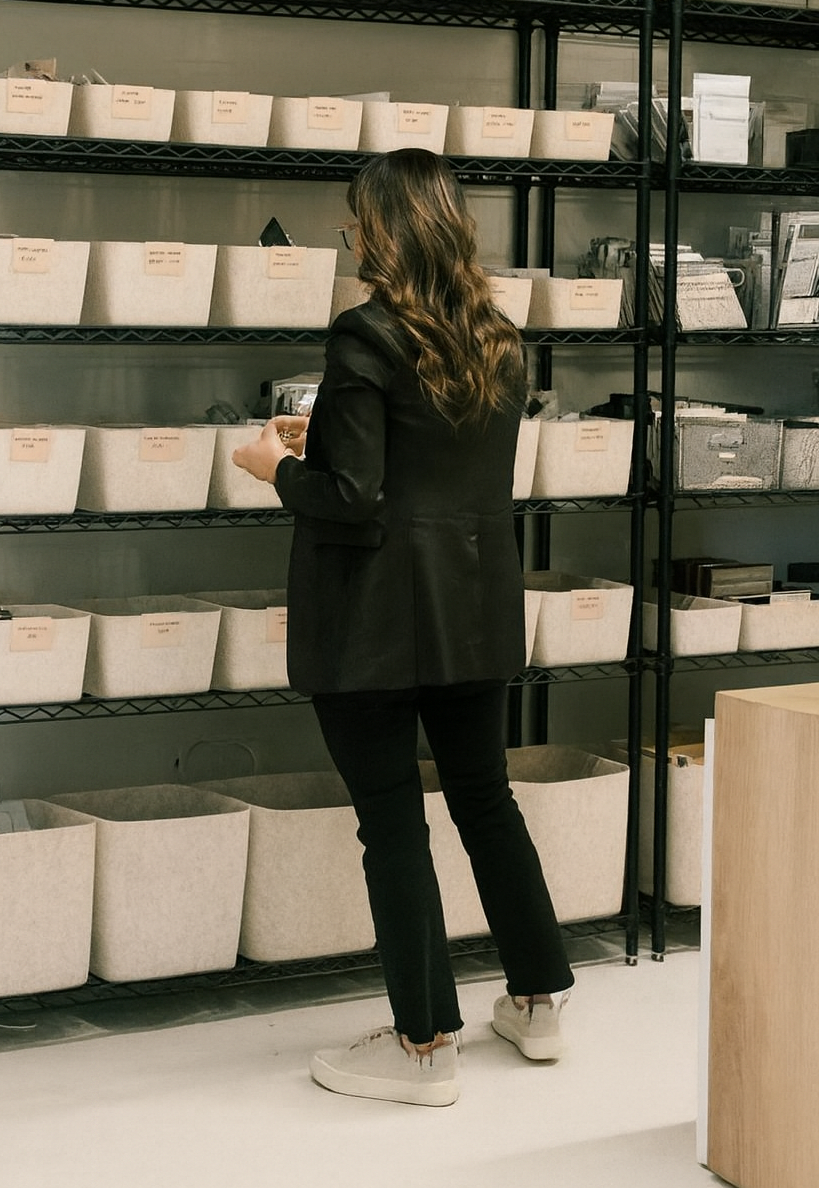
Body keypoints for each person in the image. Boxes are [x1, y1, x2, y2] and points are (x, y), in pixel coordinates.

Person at [231, 147, 574, 1109]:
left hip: (377, 620)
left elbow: (352, 498)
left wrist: (272, 466)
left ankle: (422, 1045)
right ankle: (539, 1001)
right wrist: (330, 445)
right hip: (473, 607)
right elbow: (433, 464)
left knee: (393, 823)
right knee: (486, 799)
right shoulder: (499, 337)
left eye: (354, 224)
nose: (351, 239)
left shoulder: (363, 334)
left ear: (381, 231)